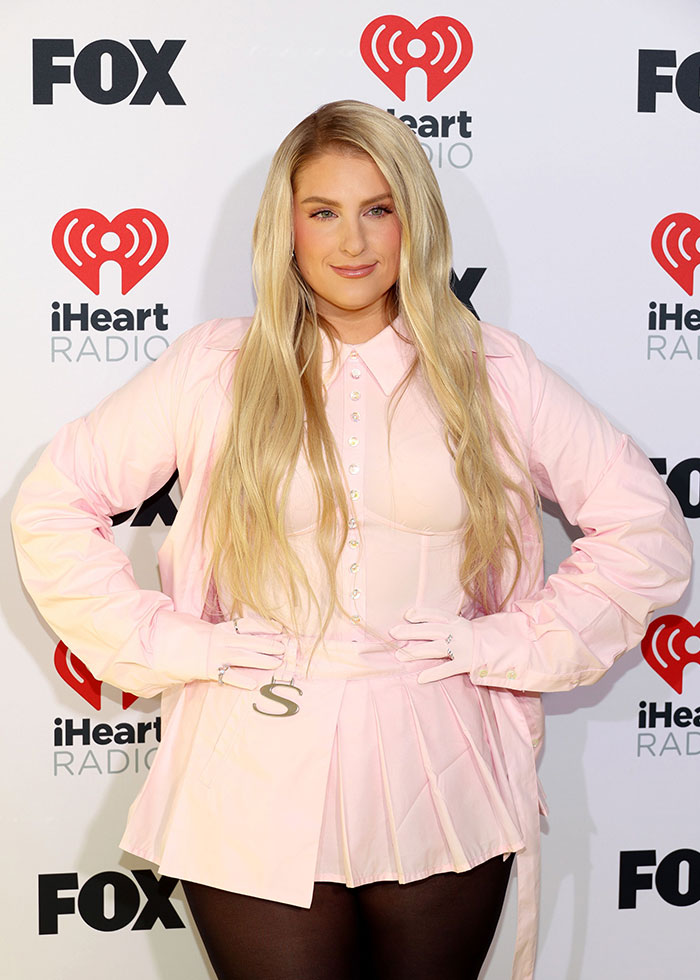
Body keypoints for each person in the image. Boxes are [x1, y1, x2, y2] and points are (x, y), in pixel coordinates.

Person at [12, 100, 691, 980]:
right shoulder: (217, 367)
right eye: (323, 211)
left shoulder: (488, 370)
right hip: (251, 751)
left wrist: (509, 643)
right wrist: (178, 645)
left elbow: (645, 529)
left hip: (439, 750)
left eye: (379, 208)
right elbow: (53, 504)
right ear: (286, 228)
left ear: (414, 219)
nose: (354, 241)